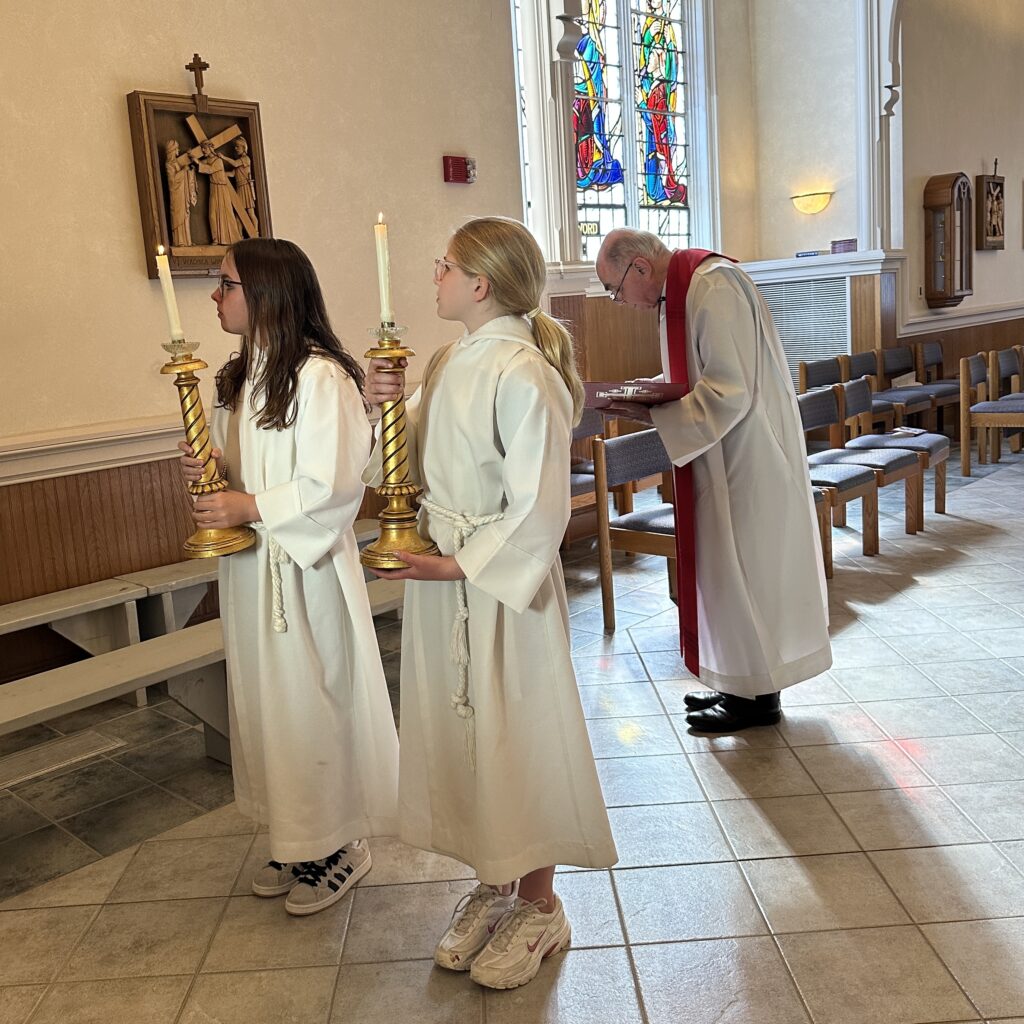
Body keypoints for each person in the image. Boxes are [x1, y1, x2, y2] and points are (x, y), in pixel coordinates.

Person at [363, 216, 617, 990]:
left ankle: (541, 907)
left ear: (480, 283)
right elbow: (398, 466)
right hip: (447, 580)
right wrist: (383, 406)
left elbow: (541, 505)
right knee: (469, 739)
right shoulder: (448, 362)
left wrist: (455, 565)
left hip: (501, 589)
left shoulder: (524, 371)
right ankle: (496, 884)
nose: (433, 277)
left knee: (518, 737)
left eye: (444, 266)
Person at [177, 237, 398, 915]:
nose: (215, 297)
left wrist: (248, 506)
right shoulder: (241, 375)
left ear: (266, 293)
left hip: (306, 572)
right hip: (253, 569)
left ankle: (341, 843)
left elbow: (335, 485)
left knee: (313, 702)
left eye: (225, 284)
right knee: (270, 705)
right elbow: (253, 466)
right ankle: (297, 836)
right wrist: (214, 467)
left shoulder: (321, 377)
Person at [594, 228, 831, 732]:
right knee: (726, 575)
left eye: (615, 289)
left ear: (640, 267)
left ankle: (757, 700)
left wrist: (653, 411)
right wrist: (649, 395)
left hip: (746, 457)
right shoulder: (683, 291)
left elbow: (729, 390)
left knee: (747, 574)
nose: (620, 302)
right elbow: (702, 377)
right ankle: (737, 683)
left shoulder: (713, 285)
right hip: (720, 454)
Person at [196, 140, 242, 245]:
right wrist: (194, 160)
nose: (203, 150)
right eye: (202, 148)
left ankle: (230, 238)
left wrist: (197, 162)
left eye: (205, 148)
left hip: (221, 189)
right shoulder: (208, 160)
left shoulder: (218, 161)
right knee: (212, 214)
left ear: (210, 148)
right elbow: (202, 163)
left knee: (225, 213)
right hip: (214, 188)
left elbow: (210, 169)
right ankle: (216, 238)